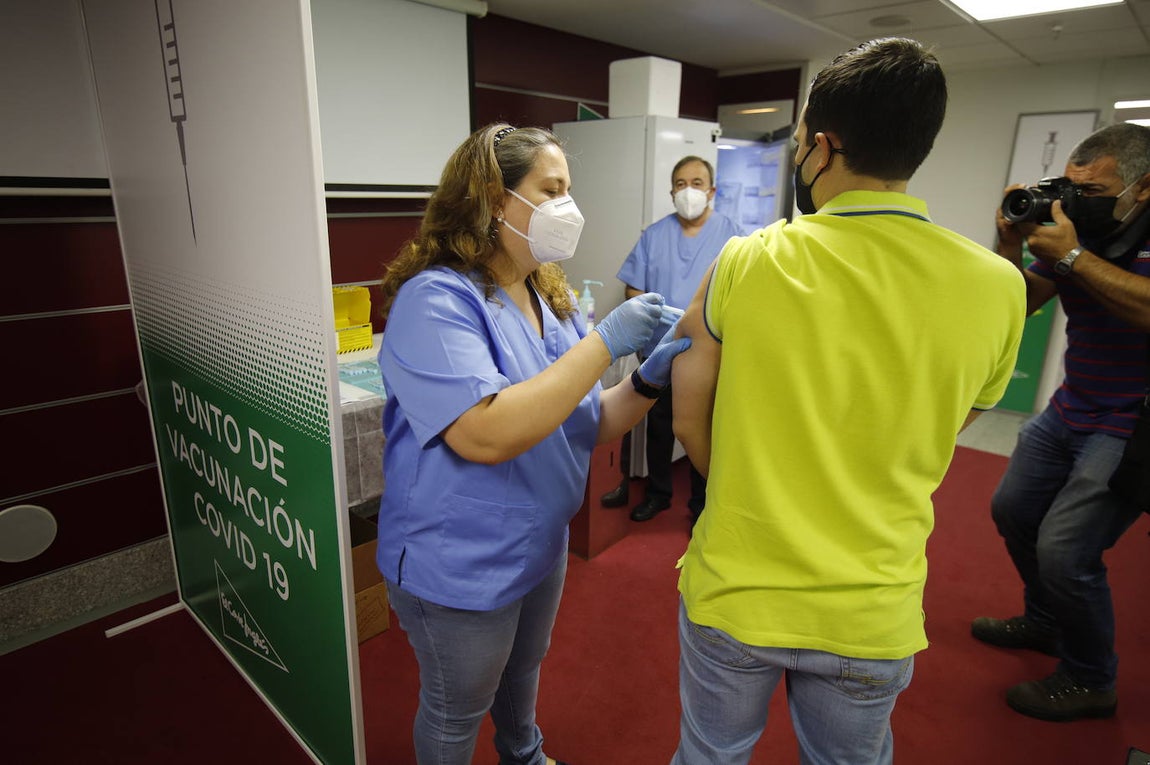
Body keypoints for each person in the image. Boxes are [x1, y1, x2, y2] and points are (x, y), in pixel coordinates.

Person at [667, 38, 1026, 764]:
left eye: (800, 139)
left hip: (739, 590)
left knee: (709, 755)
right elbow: (948, 425)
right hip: (872, 608)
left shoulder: (748, 258)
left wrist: (744, 484)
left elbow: (686, 417)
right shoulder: (1000, 286)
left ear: (822, 146)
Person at [374, 123, 689, 765]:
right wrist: (606, 343)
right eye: (551, 190)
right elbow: (486, 432)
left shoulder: (550, 294)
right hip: (459, 556)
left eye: (568, 191)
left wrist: (650, 380)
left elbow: (588, 421)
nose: (567, 208)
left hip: (540, 542)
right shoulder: (436, 299)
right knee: (455, 707)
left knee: (522, 676)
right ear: (495, 197)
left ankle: (524, 753)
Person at [971, 122, 1150, 722]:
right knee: (1012, 509)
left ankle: (1092, 678)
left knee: (1066, 550)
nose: (1078, 201)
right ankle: (1046, 622)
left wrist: (1073, 256)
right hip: (1073, 406)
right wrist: (1010, 246)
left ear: (1143, 188)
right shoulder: (1080, 232)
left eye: (1093, 191)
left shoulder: (1089, 243)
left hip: (1133, 424)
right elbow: (1018, 303)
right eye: (1072, 188)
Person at [604, 155, 741, 525]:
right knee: (659, 428)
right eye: (680, 184)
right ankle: (658, 493)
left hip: (711, 353)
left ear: (711, 191)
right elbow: (634, 289)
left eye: (696, 183)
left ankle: (701, 504)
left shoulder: (735, 239)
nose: (688, 191)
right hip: (661, 349)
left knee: (706, 426)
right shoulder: (654, 236)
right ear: (671, 192)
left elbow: (743, 295)